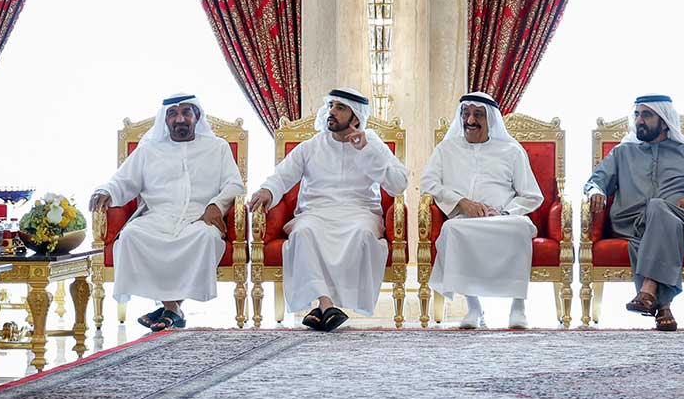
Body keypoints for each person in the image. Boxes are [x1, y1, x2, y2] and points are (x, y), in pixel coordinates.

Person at [248, 88, 408, 332]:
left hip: (360, 212)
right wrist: (266, 191)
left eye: (340, 108)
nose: (331, 112)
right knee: (303, 233)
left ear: (356, 117)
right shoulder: (312, 146)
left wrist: (367, 151)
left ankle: (322, 309)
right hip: (316, 212)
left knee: (362, 234)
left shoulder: (372, 143)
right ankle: (327, 305)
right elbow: (282, 175)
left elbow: (398, 184)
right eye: (331, 106)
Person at [90, 94, 243, 332]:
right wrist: (105, 190)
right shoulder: (148, 149)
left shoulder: (218, 148)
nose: (180, 119)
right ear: (165, 119)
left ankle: (170, 310)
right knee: (130, 236)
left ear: (197, 116)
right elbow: (123, 180)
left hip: (198, 218)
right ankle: (172, 309)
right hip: (157, 218)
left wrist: (216, 205)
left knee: (206, 237)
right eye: (173, 114)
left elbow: (234, 184)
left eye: (186, 113)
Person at [583, 95, 684, 331]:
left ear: (664, 121)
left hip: (682, 220)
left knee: (656, 207)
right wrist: (595, 191)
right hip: (632, 223)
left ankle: (648, 290)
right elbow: (595, 181)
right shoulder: (622, 153)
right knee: (651, 225)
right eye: (637, 115)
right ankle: (663, 306)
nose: (639, 121)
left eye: (646, 115)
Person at [421, 92, 542, 329]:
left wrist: (505, 213)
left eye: (478, 115)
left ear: (491, 120)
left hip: (503, 218)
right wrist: (462, 202)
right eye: (466, 114)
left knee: (521, 227)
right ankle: (474, 308)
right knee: (452, 230)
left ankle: (518, 307)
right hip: (464, 219)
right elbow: (428, 183)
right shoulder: (446, 149)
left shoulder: (511, 151)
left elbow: (531, 194)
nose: (470, 120)